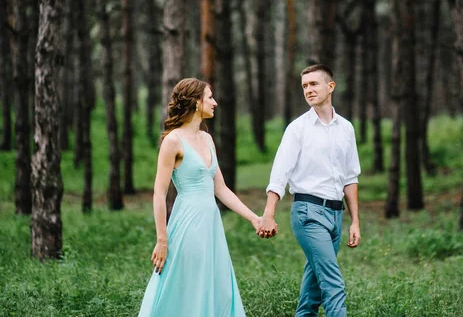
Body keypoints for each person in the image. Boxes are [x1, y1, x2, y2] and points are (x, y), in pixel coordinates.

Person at [138, 78, 262, 317]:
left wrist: (253, 218)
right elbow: (159, 193)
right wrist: (162, 240)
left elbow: (221, 189)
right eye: (210, 97)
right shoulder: (173, 141)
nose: (215, 102)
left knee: (218, 286)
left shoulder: (207, 139)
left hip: (211, 225)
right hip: (188, 223)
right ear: (196, 103)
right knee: (189, 286)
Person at [258, 64, 361, 317]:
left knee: (313, 287)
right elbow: (279, 174)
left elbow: (350, 178)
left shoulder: (346, 128)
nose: (308, 90)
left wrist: (355, 221)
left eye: (314, 84)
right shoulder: (298, 128)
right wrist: (268, 213)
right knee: (332, 281)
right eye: (304, 86)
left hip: (336, 215)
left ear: (331, 86)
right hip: (308, 213)